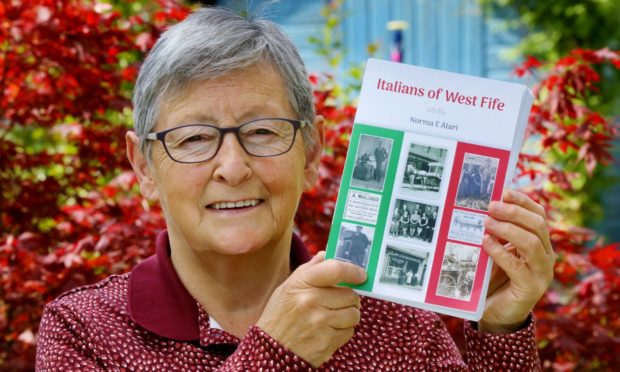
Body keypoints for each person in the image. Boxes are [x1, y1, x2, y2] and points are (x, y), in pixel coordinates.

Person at [37, 7, 555, 370]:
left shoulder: (396, 322)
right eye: (194, 139)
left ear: (311, 152)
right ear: (144, 167)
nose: (233, 167)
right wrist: (274, 355)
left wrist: (498, 331)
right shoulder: (84, 332)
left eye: (262, 132)